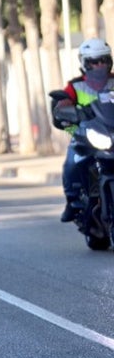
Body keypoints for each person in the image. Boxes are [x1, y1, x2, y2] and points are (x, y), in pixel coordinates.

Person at [55, 37, 114, 222]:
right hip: (85, 133)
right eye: (94, 61)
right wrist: (64, 113)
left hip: (111, 130)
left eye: (103, 60)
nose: (99, 65)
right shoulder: (75, 85)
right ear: (85, 63)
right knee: (72, 161)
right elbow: (62, 105)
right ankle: (72, 201)